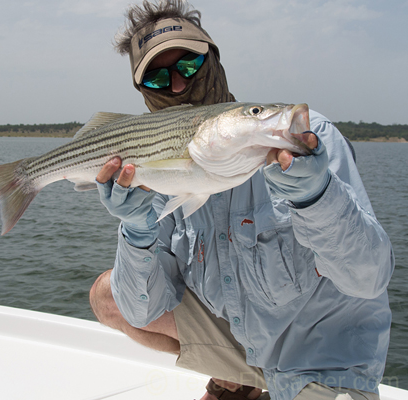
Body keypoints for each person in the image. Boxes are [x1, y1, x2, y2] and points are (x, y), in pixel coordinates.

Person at [89, 1, 394, 399]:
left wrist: (317, 198)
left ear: (213, 60)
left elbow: (368, 278)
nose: (179, 86)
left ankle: (246, 380)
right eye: (159, 78)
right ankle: (239, 377)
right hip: (247, 338)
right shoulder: (152, 171)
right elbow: (142, 310)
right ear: (143, 92)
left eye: (187, 66)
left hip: (324, 362)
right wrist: (136, 232)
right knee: (108, 295)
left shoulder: (309, 140)